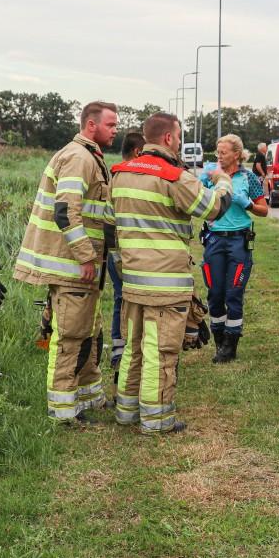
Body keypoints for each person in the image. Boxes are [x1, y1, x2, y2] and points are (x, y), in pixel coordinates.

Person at [110, 112, 232, 434]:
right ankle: (157, 418)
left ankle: (126, 411)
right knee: (161, 353)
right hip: (165, 282)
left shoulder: (120, 174)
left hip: (133, 280)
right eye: (178, 137)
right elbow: (214, 209)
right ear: (168, 138)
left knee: (133, 348)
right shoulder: (173, 176)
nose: (179, 142)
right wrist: (223, 181)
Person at [14, 102, 119, 424]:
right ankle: (63, 411)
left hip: (82, 266)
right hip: (73, 265)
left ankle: (89, 395)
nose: (115, 130)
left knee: (89, 330)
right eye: (111, 124)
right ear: (91, 125)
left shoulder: (88, 156)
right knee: (71, 335)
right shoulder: (78, 157)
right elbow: (65, 212)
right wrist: (87, 256)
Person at [200, 133, 268, 363]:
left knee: (233, 294)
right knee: (215, 293)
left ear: (236, 154)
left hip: (239, 241)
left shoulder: (248, 178)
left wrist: (245, 202)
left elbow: (264, 209)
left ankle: (231, 344)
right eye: (217, 151)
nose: (219, 155)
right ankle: (219, 340)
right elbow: (195, 198)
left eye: (223, 151)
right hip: (214, 240)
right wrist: (201, 182)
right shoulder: (212, 175)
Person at [107, 130, 144, 372]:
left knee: (123, 298)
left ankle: (123, 349)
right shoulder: (128, 177)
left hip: (119, 251)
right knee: (127, 298)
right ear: (138, 152)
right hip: (125, 252)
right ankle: (125, 350)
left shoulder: (117, 175)